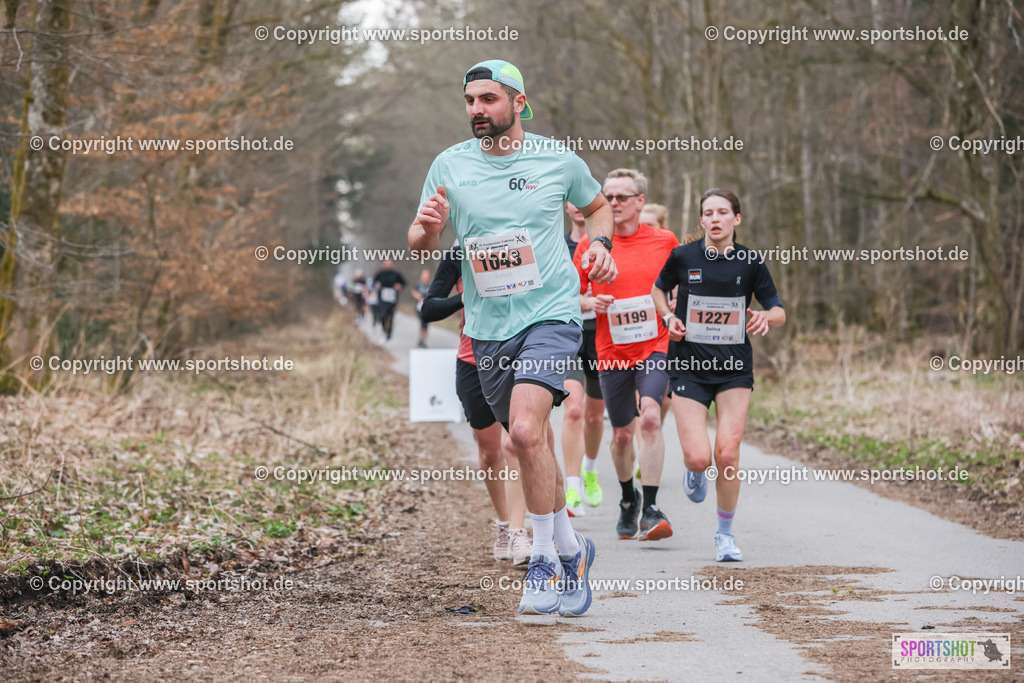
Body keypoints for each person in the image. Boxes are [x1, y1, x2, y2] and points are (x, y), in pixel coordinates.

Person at [409, 59, 617, 616]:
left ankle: (545, 562)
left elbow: (597, 210)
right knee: (533, 443)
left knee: (525, 432)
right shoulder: (449, 165)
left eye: (489, 100)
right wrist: (427, 229)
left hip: (550, 314)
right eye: (471, 101)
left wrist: (601, 246)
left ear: (518, 102)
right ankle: (573, 550)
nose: (477, 110)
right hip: (486, 327)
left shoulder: (558, 160)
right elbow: (419, 245)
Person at [652, 188, 786, 562]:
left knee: (727, 454)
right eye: (708, 213)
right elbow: (657, 290)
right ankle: (694, 471)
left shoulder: (750, 262)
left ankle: (724, 535)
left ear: (736, 219)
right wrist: (668, 317)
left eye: (722, 212)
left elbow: (778, 310)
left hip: (733, 369)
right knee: (699, 458)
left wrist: (763, 316)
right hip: (689, 366)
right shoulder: (682, 256)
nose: (715, 218)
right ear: (701, 221)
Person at [573, 169, 679, 541]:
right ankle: (628, 499)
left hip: (656, 345)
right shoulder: (592, 245)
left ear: (639, 202)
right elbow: (571, 296)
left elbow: (678, 286)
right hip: (611, 350)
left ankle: (651, 508)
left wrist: (676, 305)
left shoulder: (665, 241)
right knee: (621, 436)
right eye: (608, 196)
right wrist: (590, 302)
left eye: (621, 197)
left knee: (650, 418)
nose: (613, 203)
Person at [420, 244, 530, 564]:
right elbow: (429, 309)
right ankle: (504, 523)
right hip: (473, 362)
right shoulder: (459, 254)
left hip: (518, 358)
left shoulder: (520, 245)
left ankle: (520, 532)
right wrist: (468, 298)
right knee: (490, 451)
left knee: (516, 443)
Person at [561, 202, 606, 517]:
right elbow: (547, 291)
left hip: (603, 335)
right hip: (566, 332)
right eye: (572, 201)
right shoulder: (556, 244)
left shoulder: (607, 242)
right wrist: (584, 301)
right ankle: (572, 485)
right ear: (565, 206)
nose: (579, 207)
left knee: (593, 416)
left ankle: (589, 469)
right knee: (574, 410)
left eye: (584, 200)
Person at [372, 259, 406, 340]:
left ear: (392, 264)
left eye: (389, 264)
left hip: (392, 299)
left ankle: (389, 332)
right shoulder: (380, 274)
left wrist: (399, 287)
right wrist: (377, 286)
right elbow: (373, 283)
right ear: (383, 264)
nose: (388, 265)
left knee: (390, 316)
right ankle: (384, 330)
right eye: (386, 264)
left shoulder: (396, 274)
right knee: (383, 315)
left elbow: (403, 283)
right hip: (382, 298)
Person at [412, 268, 432, 348]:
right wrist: (417, 296)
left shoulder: (431, 285)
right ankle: (421, 339)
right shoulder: (418, 284)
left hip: (428, 308)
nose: (425, 278)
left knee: (425, 324)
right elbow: (413, 291)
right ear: (421, 277)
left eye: (427, 277)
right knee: (422, 323)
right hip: (419, 307)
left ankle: (423, 340)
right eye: (424, 276)